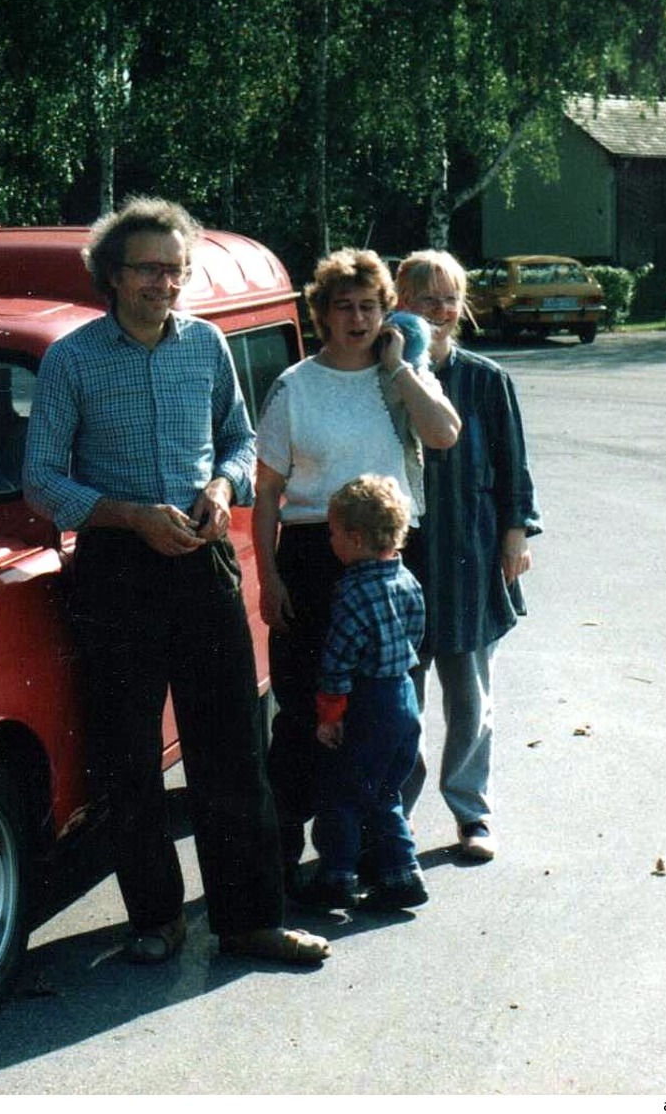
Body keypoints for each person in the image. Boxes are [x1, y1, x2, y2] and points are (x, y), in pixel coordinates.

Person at [23, 197, 329, 966]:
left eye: (176, 269)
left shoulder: (205, 347)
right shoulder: (72, 359)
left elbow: (237, 438)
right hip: (115, 571)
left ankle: (249, 921)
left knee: (230, 749)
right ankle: (155, 920)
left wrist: (226, 488)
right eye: (151, 269)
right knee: (127, 757)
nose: (167, 283)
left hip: (201, 561)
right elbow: (40, 480)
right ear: (112, 277)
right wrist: (127, 516)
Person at [251, 248, 459, 891]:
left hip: (390, 561)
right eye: (344, 307)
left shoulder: (401, 375)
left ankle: (374, 854)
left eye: (370, 306)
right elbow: (265, 494)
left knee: (385, 710)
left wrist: (399, 368)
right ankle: (285, 850)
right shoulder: (295, 386)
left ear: (386, 313)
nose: (358, 318)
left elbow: (444, 433)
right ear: (322, 316)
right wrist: (270, 578)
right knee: (304, 708)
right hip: (314, 555)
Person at [394, 249, 541, 861]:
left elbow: (514, 468)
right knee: (397, 700)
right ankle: (392, 816)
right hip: (398, 563)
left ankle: (470, 813)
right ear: (400, 304)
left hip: (469, 560)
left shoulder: (486, 379)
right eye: (426, 298)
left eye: (450, 298)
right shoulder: (379, 375)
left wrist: (515, 536)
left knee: (470, 700)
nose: (440, 310)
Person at [298, 474, 429, 912]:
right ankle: (401, 873)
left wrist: (330, 716)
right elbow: (417, 632)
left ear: (354, 538)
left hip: (367, 703)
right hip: (404, 697)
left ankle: (337, 876)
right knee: (384, 793)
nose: (330, 540)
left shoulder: (352, 592)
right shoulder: (407, 581)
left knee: (342, 794)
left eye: (333, 532)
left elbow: (337, 662)